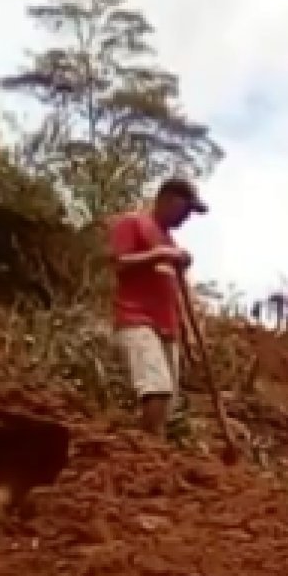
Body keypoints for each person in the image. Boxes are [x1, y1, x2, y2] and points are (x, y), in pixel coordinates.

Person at [107, 177, 207, 440]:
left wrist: (186, 336)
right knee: (157, 390)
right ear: (168, 200)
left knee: (168, 400)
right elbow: (119, 263)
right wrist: (160, 254)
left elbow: (174, 293)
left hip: (167, 329)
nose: (186, 218)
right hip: (136, 320)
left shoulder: (169, 243)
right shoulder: (134, 223)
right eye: (185, 210)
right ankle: (147, 456)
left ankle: (150, 452)